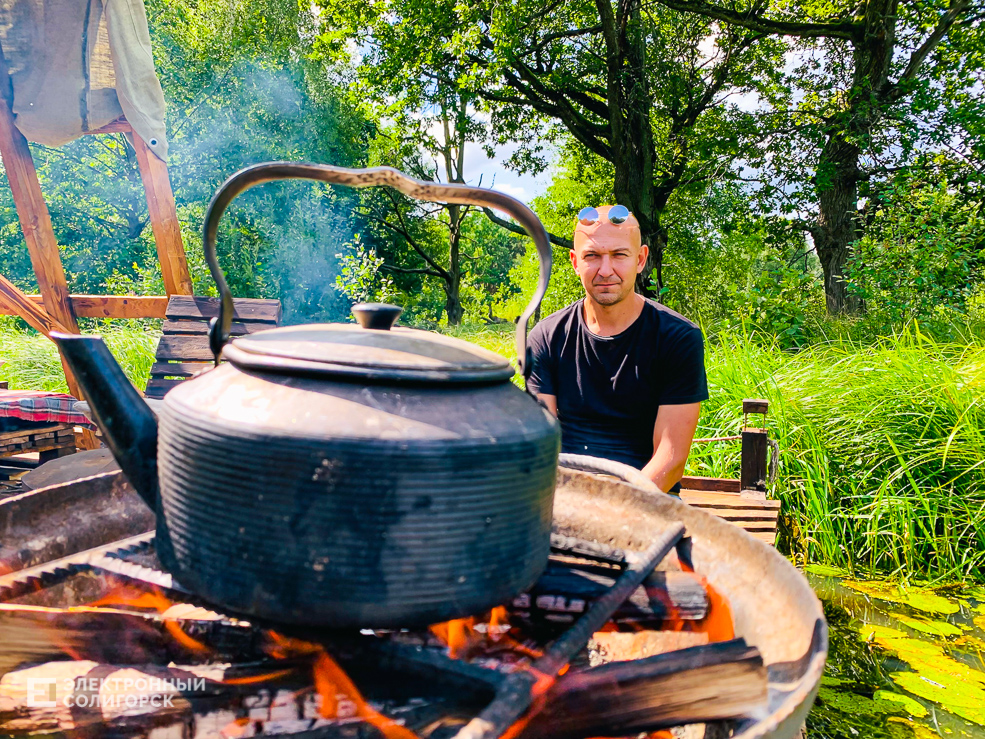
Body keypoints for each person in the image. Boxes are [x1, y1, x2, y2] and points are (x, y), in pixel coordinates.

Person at [526, 204, 708, 493]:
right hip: (565, 494)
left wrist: (615, 510)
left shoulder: (678, 337)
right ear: (575, 262)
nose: (605, 270)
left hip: (648, 498)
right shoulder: (546, 337)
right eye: (592, 256)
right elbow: (540, 443)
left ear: (640, 259)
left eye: (619, 255)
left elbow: (670, 460)